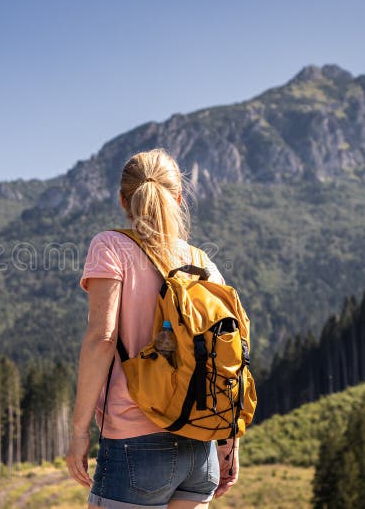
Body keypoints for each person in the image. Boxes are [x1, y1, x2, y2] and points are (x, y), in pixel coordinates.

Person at [65, 149, 239, 509]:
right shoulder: (202, 263)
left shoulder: (110, 246)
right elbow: (227, 357)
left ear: (123, 200)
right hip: (200, 445)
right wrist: (228, 443)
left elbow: (102, 340)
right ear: (178, 198)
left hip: (134, 445)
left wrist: (79, 432)